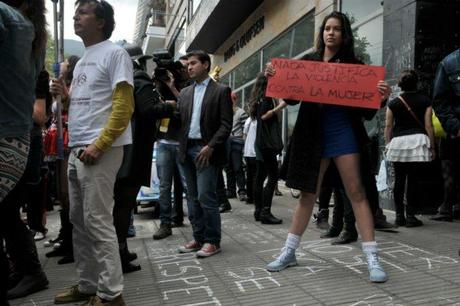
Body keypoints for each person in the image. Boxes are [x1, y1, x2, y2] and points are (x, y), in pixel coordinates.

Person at [264, 11, 391, 283]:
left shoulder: (357, 66)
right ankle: (289, 252)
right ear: (322, 33)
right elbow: (292, 98)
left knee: (357, 193)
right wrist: (276, 77)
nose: (330, 33)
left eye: (336, 29)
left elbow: (367, 112)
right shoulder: (308, 62)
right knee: (308, 194)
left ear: (344, 34)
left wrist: (381, 98)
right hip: (313, 137)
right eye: (326, 28)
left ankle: (372, 257)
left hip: (344, 133)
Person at [52, 1, 134, 305]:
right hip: (78, 148)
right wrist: (67, 95)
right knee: (79, 220)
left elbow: (124, 107)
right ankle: (87, 284)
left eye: (83, 12)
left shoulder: (115, 54)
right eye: (75, 13)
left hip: (101, 150)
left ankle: (111, 294)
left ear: (101, 21)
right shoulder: (85, 58)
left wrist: (99, 145)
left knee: (97, 220)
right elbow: (90, 104)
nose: (75, 17)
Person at [0, 0, 47, 304]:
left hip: (16, 137)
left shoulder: (9, 21)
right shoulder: (28, 31)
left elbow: (40, 115)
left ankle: (27, 270)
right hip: (18, 139)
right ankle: (20, 269)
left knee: (7, 216)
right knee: (6, 216)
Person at [114, 43, 175, 272]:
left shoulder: (124, 80)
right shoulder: (139, 78)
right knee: (124, 203)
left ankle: (120, 249)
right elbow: (149, 110)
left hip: (125, 148)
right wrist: (169, 106)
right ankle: (118, 253)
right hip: (135, 150)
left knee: (122, 203)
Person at [177, 50, 233, 258]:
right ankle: (198, 237)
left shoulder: (220, 90)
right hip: (186, 150)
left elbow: (226, 124)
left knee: (205, 196)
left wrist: (210, 146)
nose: (189, 67)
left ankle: (212, 241)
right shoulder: (184, 93)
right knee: (191, 197)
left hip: (206, 151)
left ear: (206, 65)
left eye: (193, 63)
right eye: (187, 64)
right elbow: (179, 122)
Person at [385, 70, 434, 227]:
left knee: (399, 180)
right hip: (417, 142)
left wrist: (387, 144)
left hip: (398, 143)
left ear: (400, 84)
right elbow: (428, 124)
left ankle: (399, 216)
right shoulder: (425, 100)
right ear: (417, 82)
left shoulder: (393, 103)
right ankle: (411, 216)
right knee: (413, 180)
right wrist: (432, 146)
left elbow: (388, 126)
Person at [46, 55, 81, 265]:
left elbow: (70, 107)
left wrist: (63, 94)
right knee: (61, 193)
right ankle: (65, 236)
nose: (62, 64)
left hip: (70, 142)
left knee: (69, 193)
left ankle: (73, 242)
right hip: (60, 143)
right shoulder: (62, 85)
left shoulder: (76, 85)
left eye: (66, 62)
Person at [153, 56, 190, 240]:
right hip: (164, 143)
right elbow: (152, 107)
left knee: (188, 185)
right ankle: (165, 224)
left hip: (182, 142)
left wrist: (173, 86)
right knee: (164, 186)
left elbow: (187, 107)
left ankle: (197, 224)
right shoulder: (158, 86)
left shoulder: (187, 85)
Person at [248, 73, 286, 224]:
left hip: (261, 142)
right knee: (273, 176)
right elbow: (264, 116)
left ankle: (258, 211)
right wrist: (280, 106)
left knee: (260, 177)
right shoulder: (267, 98)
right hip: (267, 143)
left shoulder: (258, 98)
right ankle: (265, 212)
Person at [433, 47, 460, 226]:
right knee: (451, 171)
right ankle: (450, 206)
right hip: (456, 136)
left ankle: (448, 207)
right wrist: (456, 128)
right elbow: (440, 101)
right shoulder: (450, 63)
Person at [225, 92, 249, 201]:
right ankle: (231, 191)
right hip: (226, 143)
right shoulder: (225, 112)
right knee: (228, 168)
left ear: (235, 100)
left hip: (237, 143)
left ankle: (242, 191)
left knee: (238, 167)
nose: (231, 101)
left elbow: (246, 130)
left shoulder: (241, 113)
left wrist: (244, 144)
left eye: (232, 99)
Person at [243, 115, 257, 204]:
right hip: (255, 152)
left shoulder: (249, 120)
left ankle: (249, 197)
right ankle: (255, 197)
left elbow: (244, 135)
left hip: (248, 151)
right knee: (256, 176)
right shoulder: (259, 120)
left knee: (249, 175)